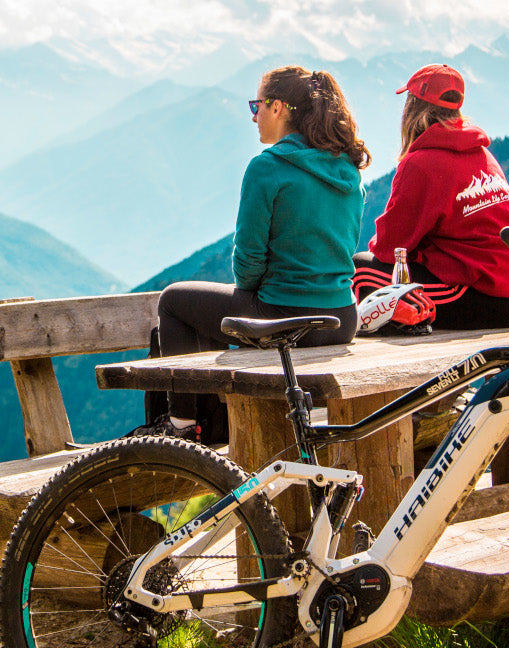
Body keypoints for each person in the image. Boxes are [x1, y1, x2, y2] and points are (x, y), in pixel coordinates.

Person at [134, 65, 369, 441]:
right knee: (209, 310)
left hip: (286, 319)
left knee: (175, 300)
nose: (254, 116)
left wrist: (263, 290)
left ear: (278, 108)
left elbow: (247, 268)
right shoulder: (347, 169)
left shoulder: (268, 167)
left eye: (256, 105)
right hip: (341, 320)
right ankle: (210, 423)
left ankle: (181, 426)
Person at [352, 64, 509, 329]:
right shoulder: (481, 153)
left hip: (487, 297)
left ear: (412, 107)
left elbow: (389, 248)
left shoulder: (420, 163)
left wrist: (421, 254)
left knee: (359, 271)